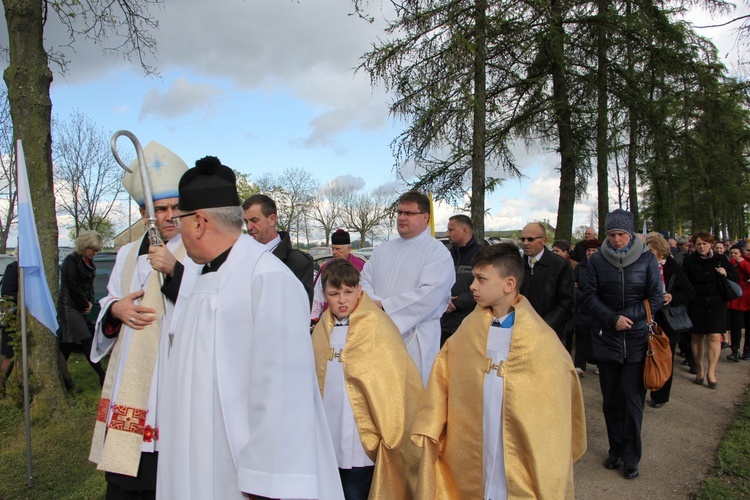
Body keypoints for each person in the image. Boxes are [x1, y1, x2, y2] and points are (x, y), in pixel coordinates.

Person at [157, 156, 343, 500]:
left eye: (179, 219)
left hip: (244, 474)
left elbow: (284, 394)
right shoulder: (201, 276)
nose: (176, 228)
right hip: (198, 453)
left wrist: (265, 483)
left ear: (199, 222)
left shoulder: (268, 279)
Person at [412, 243, 586, 499]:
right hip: (474, 435)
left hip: (517, 440)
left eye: (481, 279)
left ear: (508, 284)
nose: (472, 286)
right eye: (474, 277)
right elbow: (443, 377)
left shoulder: (539, 339)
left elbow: (556, 399)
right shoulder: (469, 329)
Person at [88, 141, 198, 498]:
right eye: (160, 209)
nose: (169, 217)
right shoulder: (124, 254)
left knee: (169, 472)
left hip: (173, 372)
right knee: (124, 477)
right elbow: (108, 300)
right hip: (130, 380)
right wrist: (115, 310)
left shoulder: (198, 253)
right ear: (143, 214)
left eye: (176, 208)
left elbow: (211, 305)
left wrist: (176, 271)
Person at [311, 259, 423, 499]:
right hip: (329, 423)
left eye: (348, 292)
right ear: (324, 295)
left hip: (361, 431)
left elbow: (393, 381)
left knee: (356, 489)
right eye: (334, 293)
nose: (342, 300)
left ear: (360, 291)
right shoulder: (322, 328)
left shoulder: (377, 326)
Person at [583, 208, 662, 480]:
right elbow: (589, 296)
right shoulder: (596, 262)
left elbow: (656, 298)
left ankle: (631, 456)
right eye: (612, 234)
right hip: (607, 340)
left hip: (638, 341)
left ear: (630, 235)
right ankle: (615, 448)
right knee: (611, 401)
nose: (617, 240)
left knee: (631, 400)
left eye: (621, 234)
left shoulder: (647, 259)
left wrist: (628, 317)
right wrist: (612, 319)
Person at [360, 191, 453, 385]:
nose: (402, 217)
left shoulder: (437, 253)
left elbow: (430, 294)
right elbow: (363, 280)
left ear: (425, 217)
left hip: (416, 338)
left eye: (409, 213)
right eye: (400, 212)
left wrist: (384, 307)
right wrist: (374, 304)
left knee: (414, 395)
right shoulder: (383, 249)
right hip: (379, 331)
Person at [644, 233, 695, 409]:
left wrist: (672, 296)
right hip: (646, 318)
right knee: (644, 356)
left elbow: (689, 292)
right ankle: (640, 391)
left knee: (665, 358)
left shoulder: (673, 268)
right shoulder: (642, 266)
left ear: (660, 251)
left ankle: (660, 396)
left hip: (667, 320)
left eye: (651, 250)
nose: (648, 253)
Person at [682, 231, 737, 389]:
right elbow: (684, 281)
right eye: (698, 244)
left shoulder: (720, 259)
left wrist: (726, 273)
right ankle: (700, 369)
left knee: (714, 337)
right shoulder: (689, 261)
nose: (701, 246)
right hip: (697, 304)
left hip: (716, 303)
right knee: (697, 337)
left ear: (711, 244)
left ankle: (711, 372)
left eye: (704, 243)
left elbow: (734, 276)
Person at [242, 194, 314, 306]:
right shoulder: (242, 259)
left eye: (254, 220)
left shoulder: (299, 263)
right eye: (246, 222)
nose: (249, 227)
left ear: (272, 220)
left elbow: (300, 311)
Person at [57, 230, 106, 392]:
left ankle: (66, 383)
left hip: (80, 305)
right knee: (87, 341)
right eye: (93, 250)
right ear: (84, 245)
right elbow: (72, 286)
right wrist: (85, 304)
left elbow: (90, 285)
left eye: (97, 250)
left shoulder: (89, 262)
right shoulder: (71, 261)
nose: (95, 253)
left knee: (67, 344)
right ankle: (102, 376)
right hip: (68, 306)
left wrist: (91, 302)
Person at [518, 222, 575, 342]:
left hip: (551, 334)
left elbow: (567, 303)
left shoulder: (560, 265)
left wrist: (544, 325)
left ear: (544, 240)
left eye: (530, 239)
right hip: (520, 332)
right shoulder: (516, 265)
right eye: (523, 239)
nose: (525, 243)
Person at [440, 214, 482, 345]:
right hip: (443, 326)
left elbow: (486, 288)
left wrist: (457, 303)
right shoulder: (444, 255)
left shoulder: (482, 255)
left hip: (470, 327)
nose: (447, 234)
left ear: (464, 230)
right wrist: (443, 299)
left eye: (451, 230)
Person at [311, 229, 366, 321]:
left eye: (338, 249)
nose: (334, 252)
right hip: (329, 319)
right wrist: (314, 319)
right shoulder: (326, 268)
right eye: (333, 248)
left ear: (349, 249)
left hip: (357, 319)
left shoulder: (361, 267)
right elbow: (317, 297)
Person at [573, 238, 600, 376]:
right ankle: (579, 365)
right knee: (581, 338)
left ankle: (599, 363)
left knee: (598, 338)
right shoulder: (580, 267)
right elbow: (574, 285)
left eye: (594, 250)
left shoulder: (604, 265)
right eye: (588, 250)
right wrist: (584, 295)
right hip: (583, 308)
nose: (591, 253)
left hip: (599, 309)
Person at [727, 245, 750, 361]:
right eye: (747, 250)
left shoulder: (743, 263)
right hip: (736, 300)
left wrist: (743, 263)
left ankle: (747, 350)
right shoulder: (731, 263)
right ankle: (734, 350)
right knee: (736, 327)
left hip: (748, 300)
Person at [0, 259, 18, 397]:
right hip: (13, 317)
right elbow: (6, 292)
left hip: (27, 316)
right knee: (10, 354)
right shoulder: (13, 268)